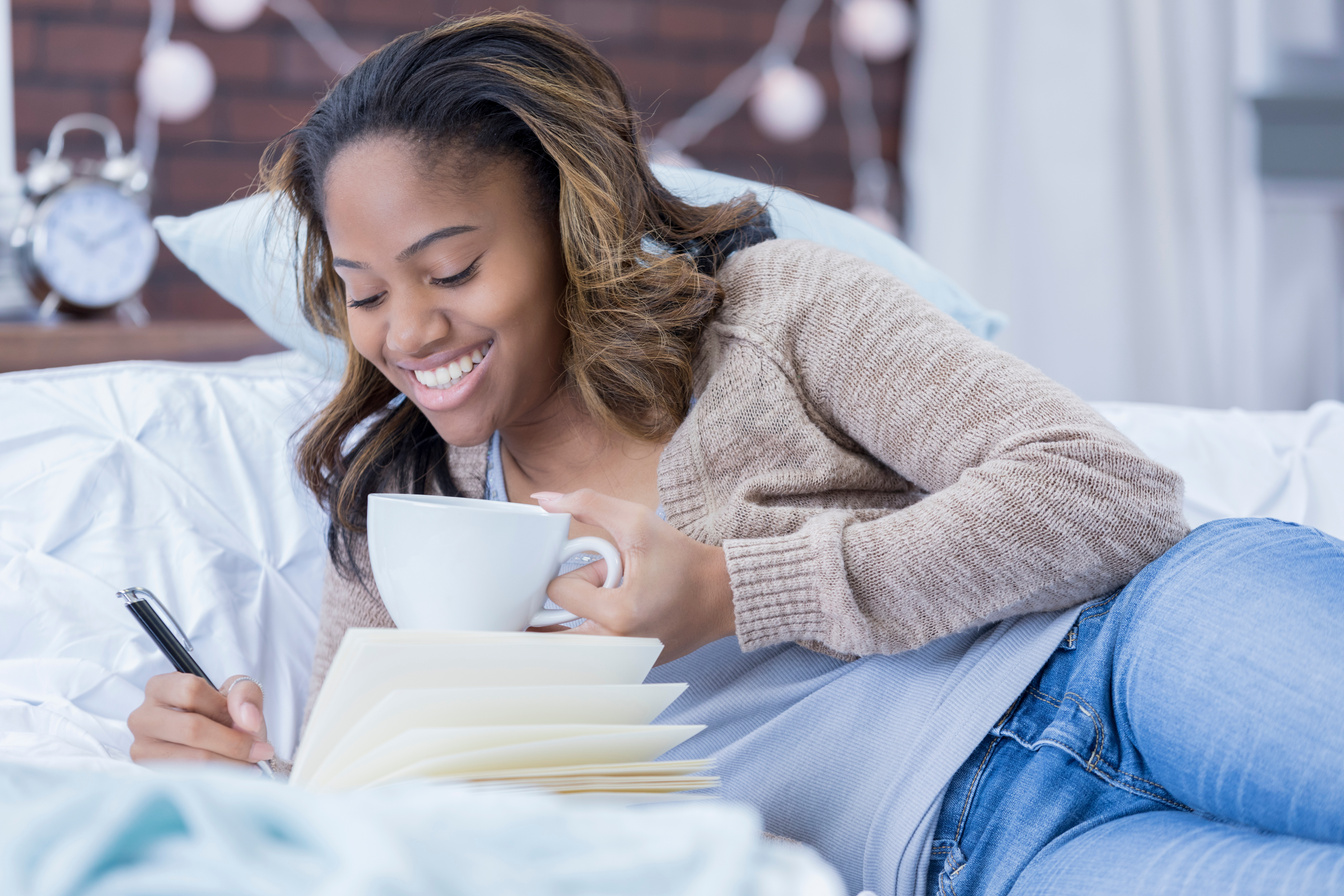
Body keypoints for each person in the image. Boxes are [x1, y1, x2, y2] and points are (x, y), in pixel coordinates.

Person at [126, 12, 1344, 895]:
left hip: (1132, 648)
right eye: (364, 293)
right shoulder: (403, 513)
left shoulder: (773, 310)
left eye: (451, 271)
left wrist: (730, 592)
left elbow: (1109, 492)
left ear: (569, 223)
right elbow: (397, 828)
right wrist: (252, 792)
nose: (410, 332)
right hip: (976, 851)